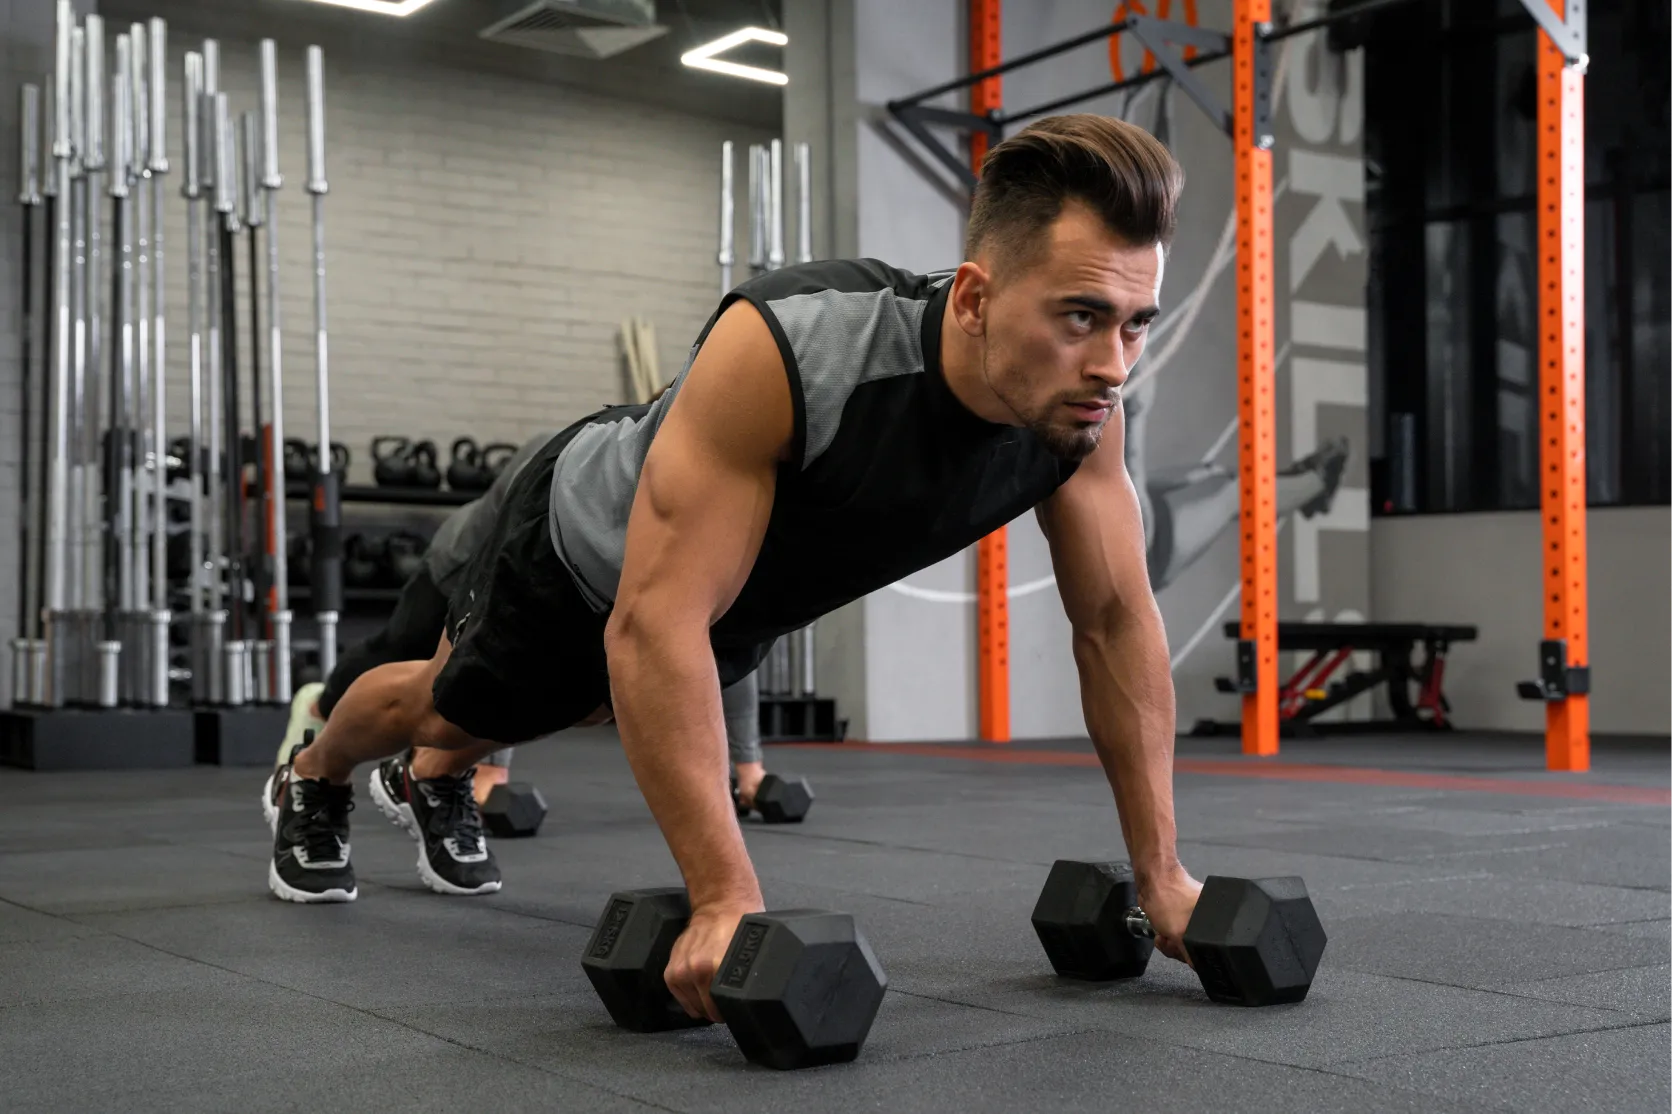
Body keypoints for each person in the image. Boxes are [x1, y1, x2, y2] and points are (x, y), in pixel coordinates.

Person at [264, 112, 1203, 1026]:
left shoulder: (1081, 412)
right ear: (973, 299)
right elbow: (653, 622)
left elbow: (1114, 623)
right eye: (1081, 317)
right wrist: (723, 897)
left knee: (578, 708)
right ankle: (318, 774)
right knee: (447, 708)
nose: (1113, 364)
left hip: (732, 601)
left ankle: (430, 778)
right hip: (583, 546)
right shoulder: (795, 345)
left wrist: (1162, 874)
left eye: (1135, 325)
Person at [268, 433, 776, 897]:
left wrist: (747, 764)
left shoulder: (729, 491)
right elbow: (515, 617)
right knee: (414, 683)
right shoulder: (584, 455)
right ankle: (313, 757)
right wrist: (493, 765)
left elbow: (707, 643)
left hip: (572, 581)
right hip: (467, 562)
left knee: (582, 698)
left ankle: (430, 775)